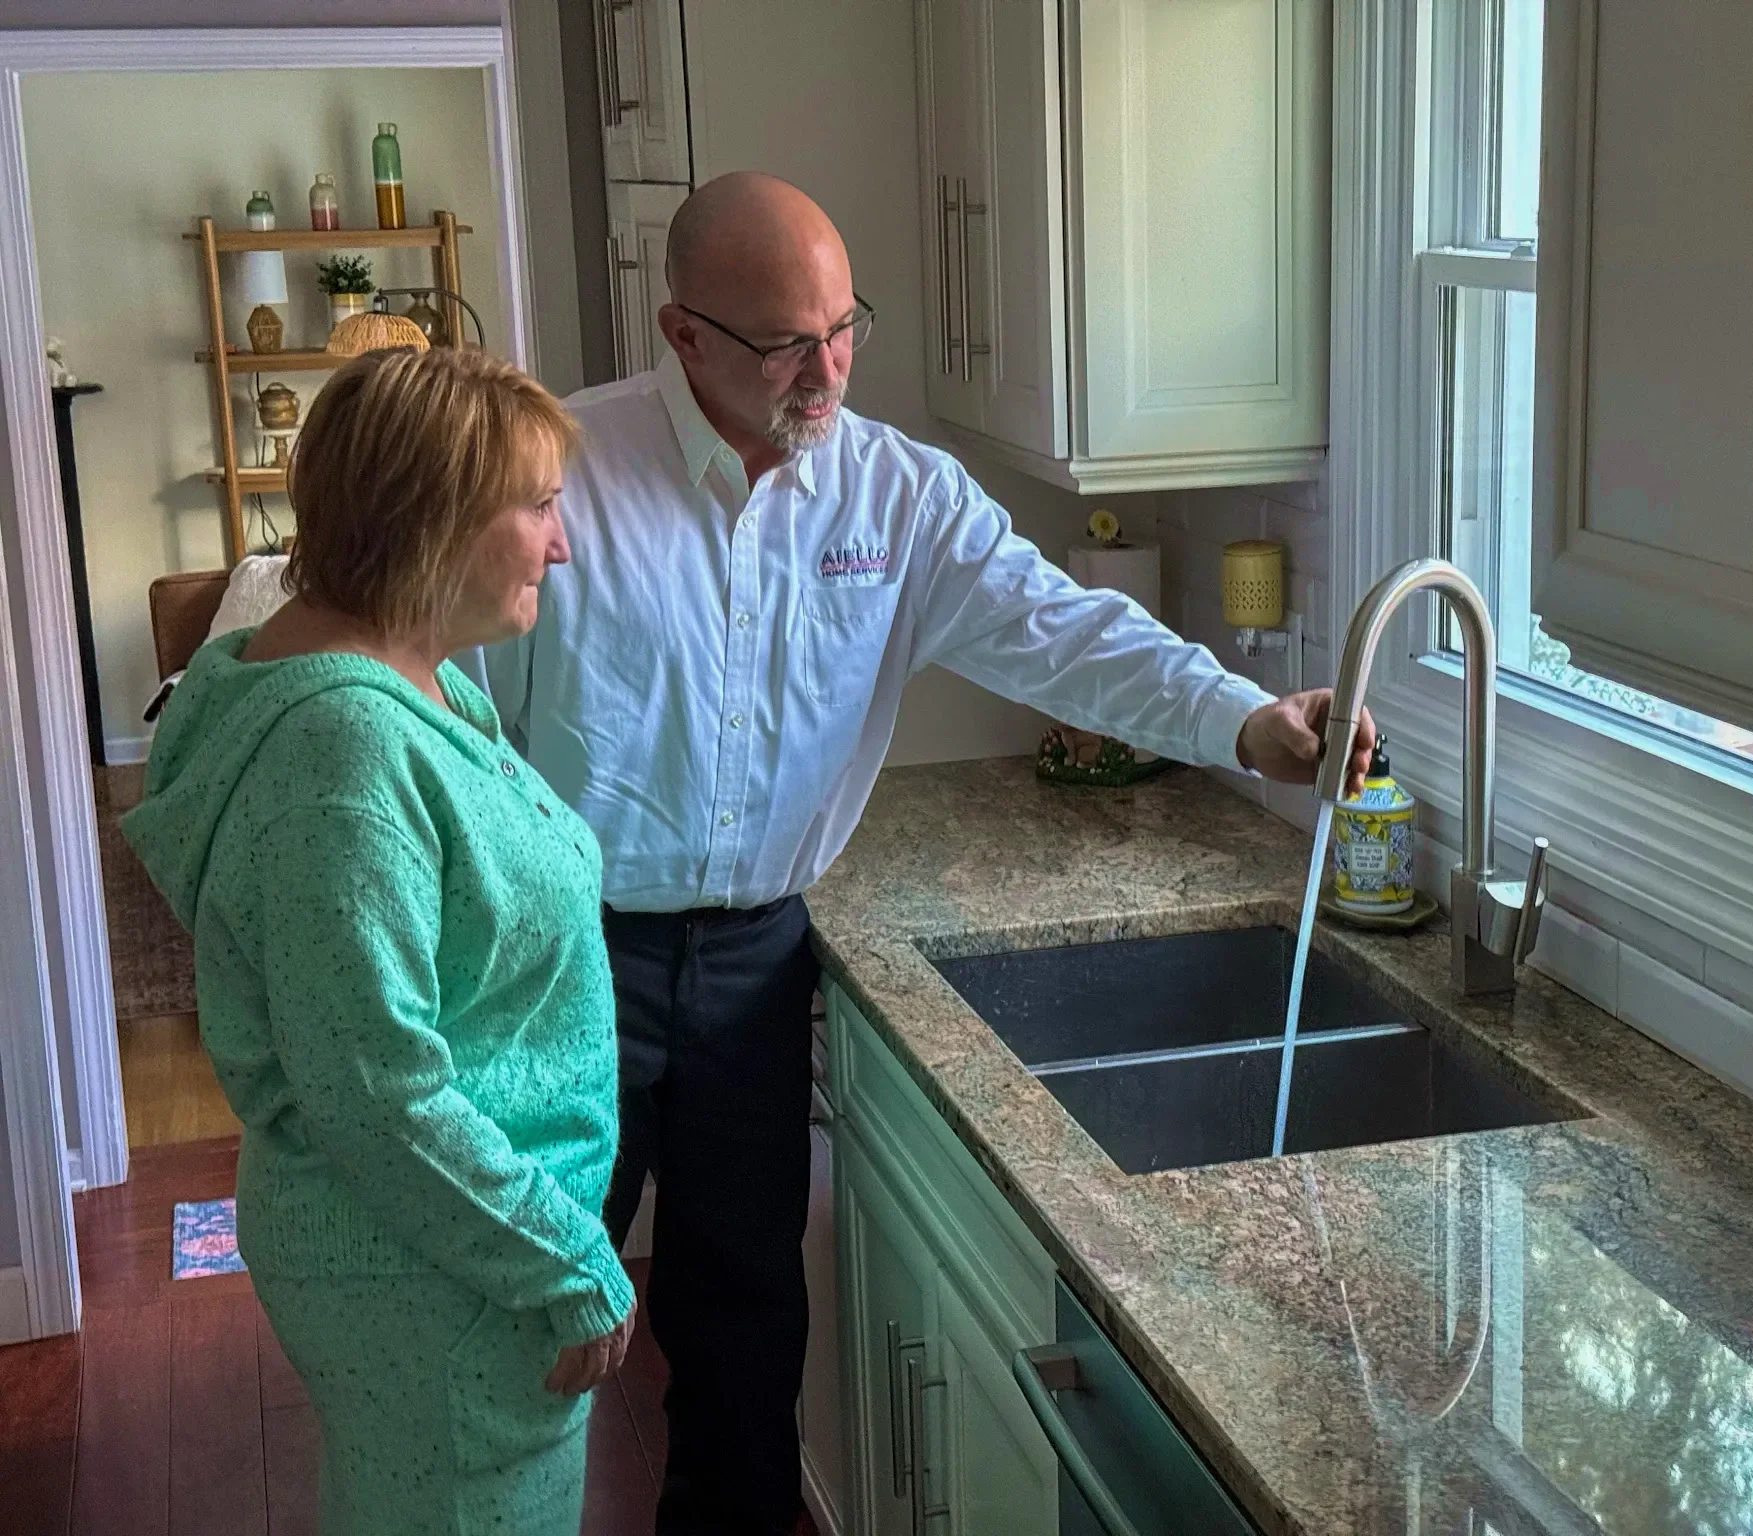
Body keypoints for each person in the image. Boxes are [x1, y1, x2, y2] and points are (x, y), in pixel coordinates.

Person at [465, 171, 1372, 1536]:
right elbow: (453, 714)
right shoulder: (560, 477)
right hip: (559, 960)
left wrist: (1245, 721)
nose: (827, 371)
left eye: (845, 330)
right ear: (683, 333)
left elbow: (1062, 632)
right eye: (787, 343)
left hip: (758, 962)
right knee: (532, 1320)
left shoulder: (898, 497)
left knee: (745, 1334)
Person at [123, 346, 638, 1536]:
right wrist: (569, 1263)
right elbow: (374, 1089)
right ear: (434, 523)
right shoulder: (343, 756)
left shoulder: (412, 682)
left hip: (458, 1250)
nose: (561, 546)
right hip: (441, 1270)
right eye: (539, 507)